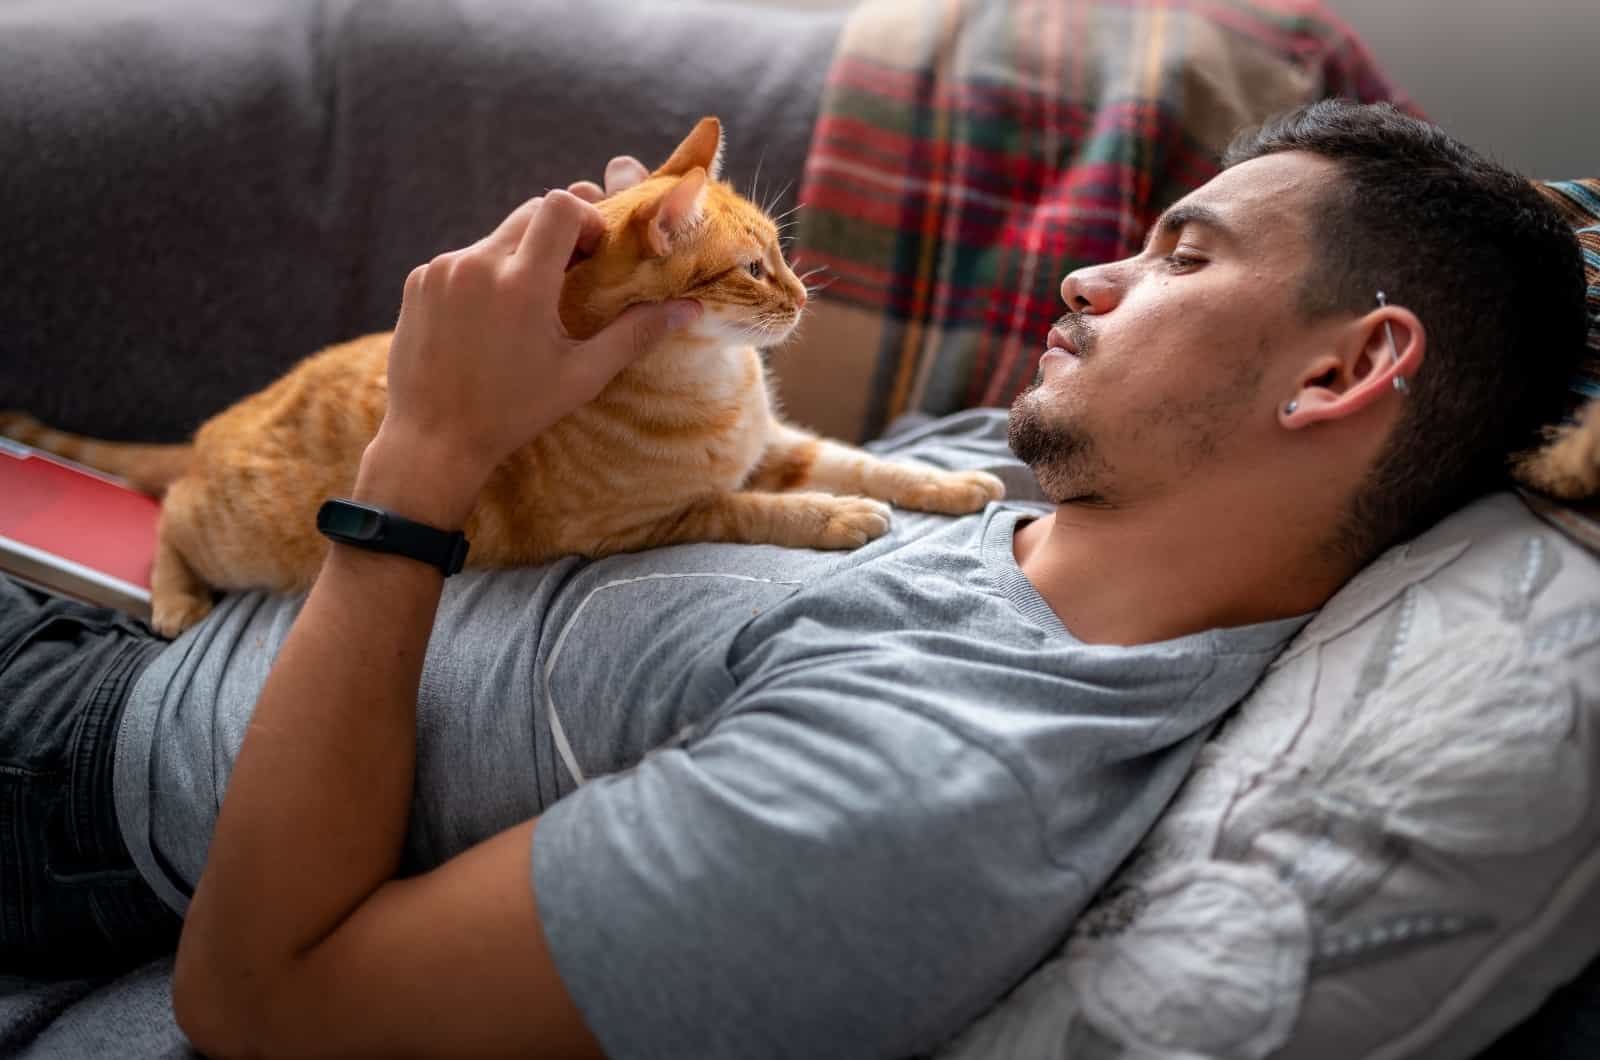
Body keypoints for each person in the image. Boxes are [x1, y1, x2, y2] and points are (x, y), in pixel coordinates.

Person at [0, 101, 1585, 1058]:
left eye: (1180, 255)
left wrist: (426, 453)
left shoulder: (924, 789)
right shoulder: (1029, 477)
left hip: (71, 771)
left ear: (1341, 374)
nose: (1087, 273)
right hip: (138, 588)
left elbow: (258, 1001)